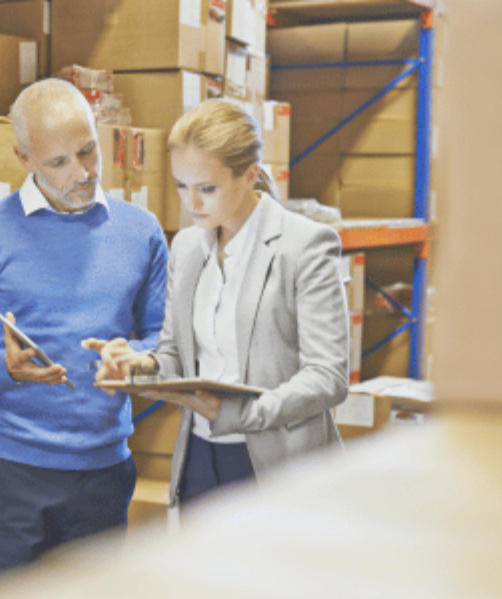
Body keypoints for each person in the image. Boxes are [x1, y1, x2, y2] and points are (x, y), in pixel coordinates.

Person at [0, 79, 168, 585]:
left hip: (104, 473)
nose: (81, 173)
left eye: (88, 151)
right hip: (10, 475)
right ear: (23, 158)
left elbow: (162, 340)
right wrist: (5, 368)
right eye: (58, 163)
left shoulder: (142, 232)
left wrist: (138, 360)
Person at [94, 99, 349, 507]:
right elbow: (175, 354)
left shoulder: (304, 246)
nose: (190, 202)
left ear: (249, 176)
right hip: (199, 457)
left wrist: (243, 415)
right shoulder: (188, 246)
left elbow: (327, 377)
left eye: (206, 188)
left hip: (277, 467)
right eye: (181, 185)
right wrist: (141, 366)